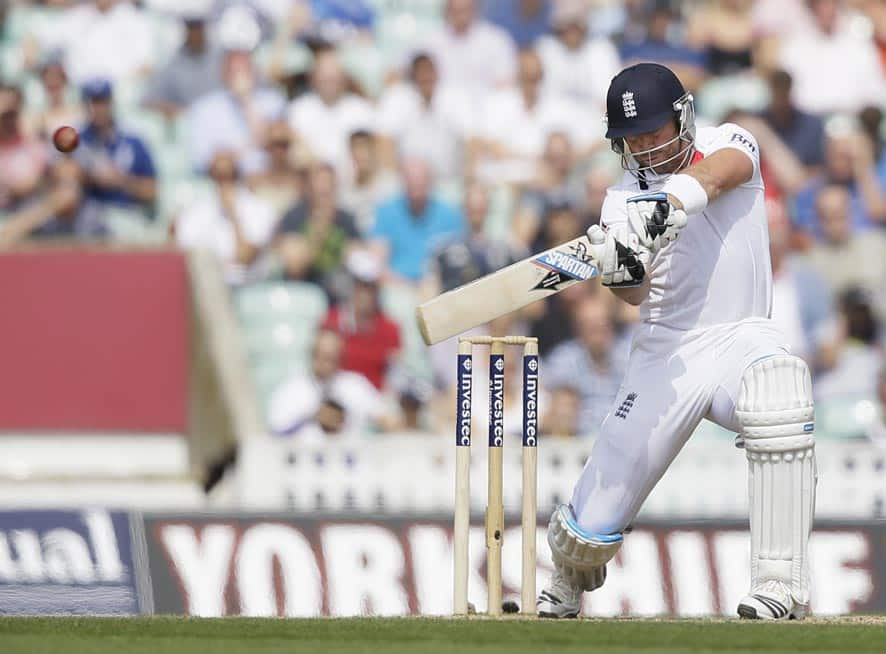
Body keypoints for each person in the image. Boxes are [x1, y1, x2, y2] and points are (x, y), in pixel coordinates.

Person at [536, 63, 816, 622]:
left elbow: (722, 175)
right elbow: (635, 297)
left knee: (779, 393)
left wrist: (667, 208)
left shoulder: (729, 141)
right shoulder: (619, 202)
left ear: (683, 118)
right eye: (632, 138)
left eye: (654, 131)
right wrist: (621, 271)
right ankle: (565, 583)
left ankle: (779, 586)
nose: (645, 147)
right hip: (666, 352)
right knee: (587, 528)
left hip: (742, 334)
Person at [174, 149, 277, 285]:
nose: (224, 183)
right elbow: (187, 258)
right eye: (218, 177)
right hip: (205, 287)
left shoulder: (260, 210)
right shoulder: (194, 212)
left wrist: (234, 215)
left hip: (246, 286)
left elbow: (245, 256)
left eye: (230, 176)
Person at [268, 329, 386, 440]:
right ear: (313, 355)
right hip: (307, 458)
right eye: (324, 357)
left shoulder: (355, 385)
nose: (328, 364)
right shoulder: (291, 390)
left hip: (350, 456)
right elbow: (275, 434)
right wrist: (311, 417)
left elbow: (385, 417)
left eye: (334, 358)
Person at [375, 52, 474, 183]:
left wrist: (466, 179)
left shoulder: (455, 97)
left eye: (429, 72)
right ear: (412, 77)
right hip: (407, 185)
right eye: (421, 73)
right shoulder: (397, 98)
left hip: (448, 182)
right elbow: (384, 141)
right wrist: (394, 181)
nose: (426, 77)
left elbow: (473, 140)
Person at [185, 49, 286, 175]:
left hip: (272, 178)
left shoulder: (273, 101)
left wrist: (246, 101)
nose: (240, 78)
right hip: (228, 182)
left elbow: (280, 146)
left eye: (245, 71)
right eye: (234, 72)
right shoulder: (204, 109)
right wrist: (242, 152)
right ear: (223, 75)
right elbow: (201, 161)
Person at [543, 295, 630, 431]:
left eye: (604, 325)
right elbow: (558, 414)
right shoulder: (563, 360)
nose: (599, 334)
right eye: (592, 327)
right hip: (577, 442)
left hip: (623, 438)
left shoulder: (627, 356)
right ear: (578, 329)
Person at [370, 157, 463, 284]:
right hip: (395, 285)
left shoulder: (449, 214)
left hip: (437, 286)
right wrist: (405, 285)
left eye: (421, 181)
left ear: (430, 181)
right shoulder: (386, 212)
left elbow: (456, 259)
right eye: (411, 181)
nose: (416, 186)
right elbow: (377, 261)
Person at [275, 163, 361, 297]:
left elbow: (358, 258)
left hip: (338, 291)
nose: (324, 189)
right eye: (320, 183)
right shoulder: (294, 216)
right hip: (303, 289)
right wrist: (317, 235)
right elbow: (294, 267)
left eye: (328, 183)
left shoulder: (346, 219)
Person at [321, 250, 401, 391]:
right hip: (337, 398)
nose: (365, 293)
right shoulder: (331, 321)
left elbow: (393, 376)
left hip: (376, 403)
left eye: (370, 286)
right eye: (359, 285)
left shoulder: (390, 329)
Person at [286, 49, 375, 177]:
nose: (330, 81)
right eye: (325, 76)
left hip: (355, 185)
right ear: (313, 78)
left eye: (334, 76)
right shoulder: (298, 110)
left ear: (344, 77)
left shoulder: (362, 110)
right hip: (313, 183)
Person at [76, 79, 157, 214]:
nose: (98, 109)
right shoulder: (78, 140)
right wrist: (88, 176)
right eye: (93, 102)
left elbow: (152, 190)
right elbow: (60, 178)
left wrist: (119, 180)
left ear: (111, 103)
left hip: (126, 214)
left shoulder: (132, 141)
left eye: (103, 102)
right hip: (87, 215)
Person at [143, 3, 223, 118]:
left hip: (225, 123)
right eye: (191, 27)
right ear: (185, 28)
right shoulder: (174, 63)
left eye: (198, 26)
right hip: (192, 125)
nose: (195, 32)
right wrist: (177, 111)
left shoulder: (222, 57)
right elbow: (148, 100)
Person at [424, 0, 518, 93]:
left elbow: (507, 80)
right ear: (447, 10)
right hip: (441, 104)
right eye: (456, 10)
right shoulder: (431, 42)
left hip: (487, 104)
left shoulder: (497, 40)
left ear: (475, 9)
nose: (460, 16)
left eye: (464, 9)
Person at [339, 130, 399, 235]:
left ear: (374, 150)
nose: (359, 155)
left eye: (364, 148)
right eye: (355, 149)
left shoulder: (391, 185)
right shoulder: (344, 189)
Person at [0, 84, 47, 212]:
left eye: (12, 114)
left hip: (26, 211)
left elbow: (36, 181)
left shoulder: (33, 145)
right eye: (4, 116)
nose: (8, 121)